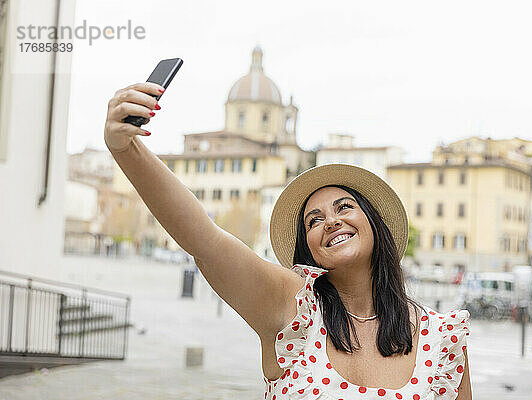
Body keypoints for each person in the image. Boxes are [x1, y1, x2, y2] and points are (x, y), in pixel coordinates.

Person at [104, 82, 472, 400]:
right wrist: (126, 149)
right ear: (307, 247)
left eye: (345, 206)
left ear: (374, 223)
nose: (331, 221)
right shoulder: (291, 310)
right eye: (313, 220)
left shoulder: (443, 339)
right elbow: (205, 240)